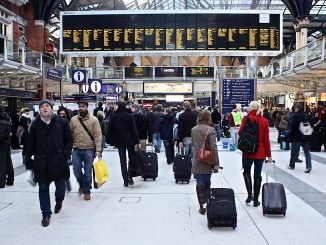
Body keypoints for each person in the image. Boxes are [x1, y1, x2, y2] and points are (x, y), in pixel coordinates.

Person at [25, 100, 73, 227]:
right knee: (43, 188)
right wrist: (29, 164)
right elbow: (30, 145)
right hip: (42, 163)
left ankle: (59, 200)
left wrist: (65, 154)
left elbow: (69, 140)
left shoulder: (61, 122)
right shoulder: (35, 125)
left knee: (61, 187)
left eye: (47, 106)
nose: (44, 108)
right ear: (39, 110)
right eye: (42, 106)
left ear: (52, 108)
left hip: (59, 162)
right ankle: (46, 214)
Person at [238, 101, 272, 207]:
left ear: (250, 108)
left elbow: (240, 133)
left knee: (246, 172)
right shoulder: (264, 121)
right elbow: (266, 139)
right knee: (257, 175)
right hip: (260, 152)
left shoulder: (246, 119)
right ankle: (256, 200)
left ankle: (250, 195)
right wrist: (269, 155)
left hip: (248, 151)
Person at [70, 101, 102, 201]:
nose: (81, 108)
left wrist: (98, 150)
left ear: (87, 107)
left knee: (88, 172)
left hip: (89, 149)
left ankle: (87, 191)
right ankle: (82, 184)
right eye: (80, 106)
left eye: (83, 106)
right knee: (76, 170)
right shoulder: (73, 120)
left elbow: (97, 135)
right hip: (76, 149)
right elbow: (70, 134)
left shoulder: (94, 120)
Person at [191, 110, 219, 215]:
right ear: (209, 118)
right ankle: (207, 201)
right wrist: (216, 163)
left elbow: (193, 144)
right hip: (208, 160)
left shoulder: (193, 129)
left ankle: (201, 205)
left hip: (197, 159)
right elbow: (213, 147)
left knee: (199, 182)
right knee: (207, 182)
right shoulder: (211, 129)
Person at [107, 101, 139, 187]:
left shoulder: (114, 116)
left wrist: (108, 140)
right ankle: (129, 175)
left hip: (119, 141)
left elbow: (109, 129)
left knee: (122, 160)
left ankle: (125, 180)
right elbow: (134, 129)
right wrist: (137, 141)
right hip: (130, 140)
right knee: (131, 159)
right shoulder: (129, 116)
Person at [288, 104, 312, 173]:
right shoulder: (306, 115)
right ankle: (308, 166)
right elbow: (311, 124)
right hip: (306, 136)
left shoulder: (294, 115)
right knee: (307, 152)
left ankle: (292, 165)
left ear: (297, 109)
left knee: (294, 152)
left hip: (297, 137)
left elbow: (291, 125)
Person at [57, 106, 72, 192]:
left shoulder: (70, 123)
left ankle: (67, 180)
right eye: (60, 114)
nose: (62, 115)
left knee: (65, 166)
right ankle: (62, 183)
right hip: (57, 148)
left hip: (66, 148)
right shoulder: (55, 123)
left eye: (64, 114)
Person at [0, 106, 14, 188]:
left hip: (2, 144)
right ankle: (10, 180)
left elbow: (1, 136)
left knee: (2, 163)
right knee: (8, 161)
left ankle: (1, 182)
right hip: (6, 143)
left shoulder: (2, 122)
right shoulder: (6, 121)